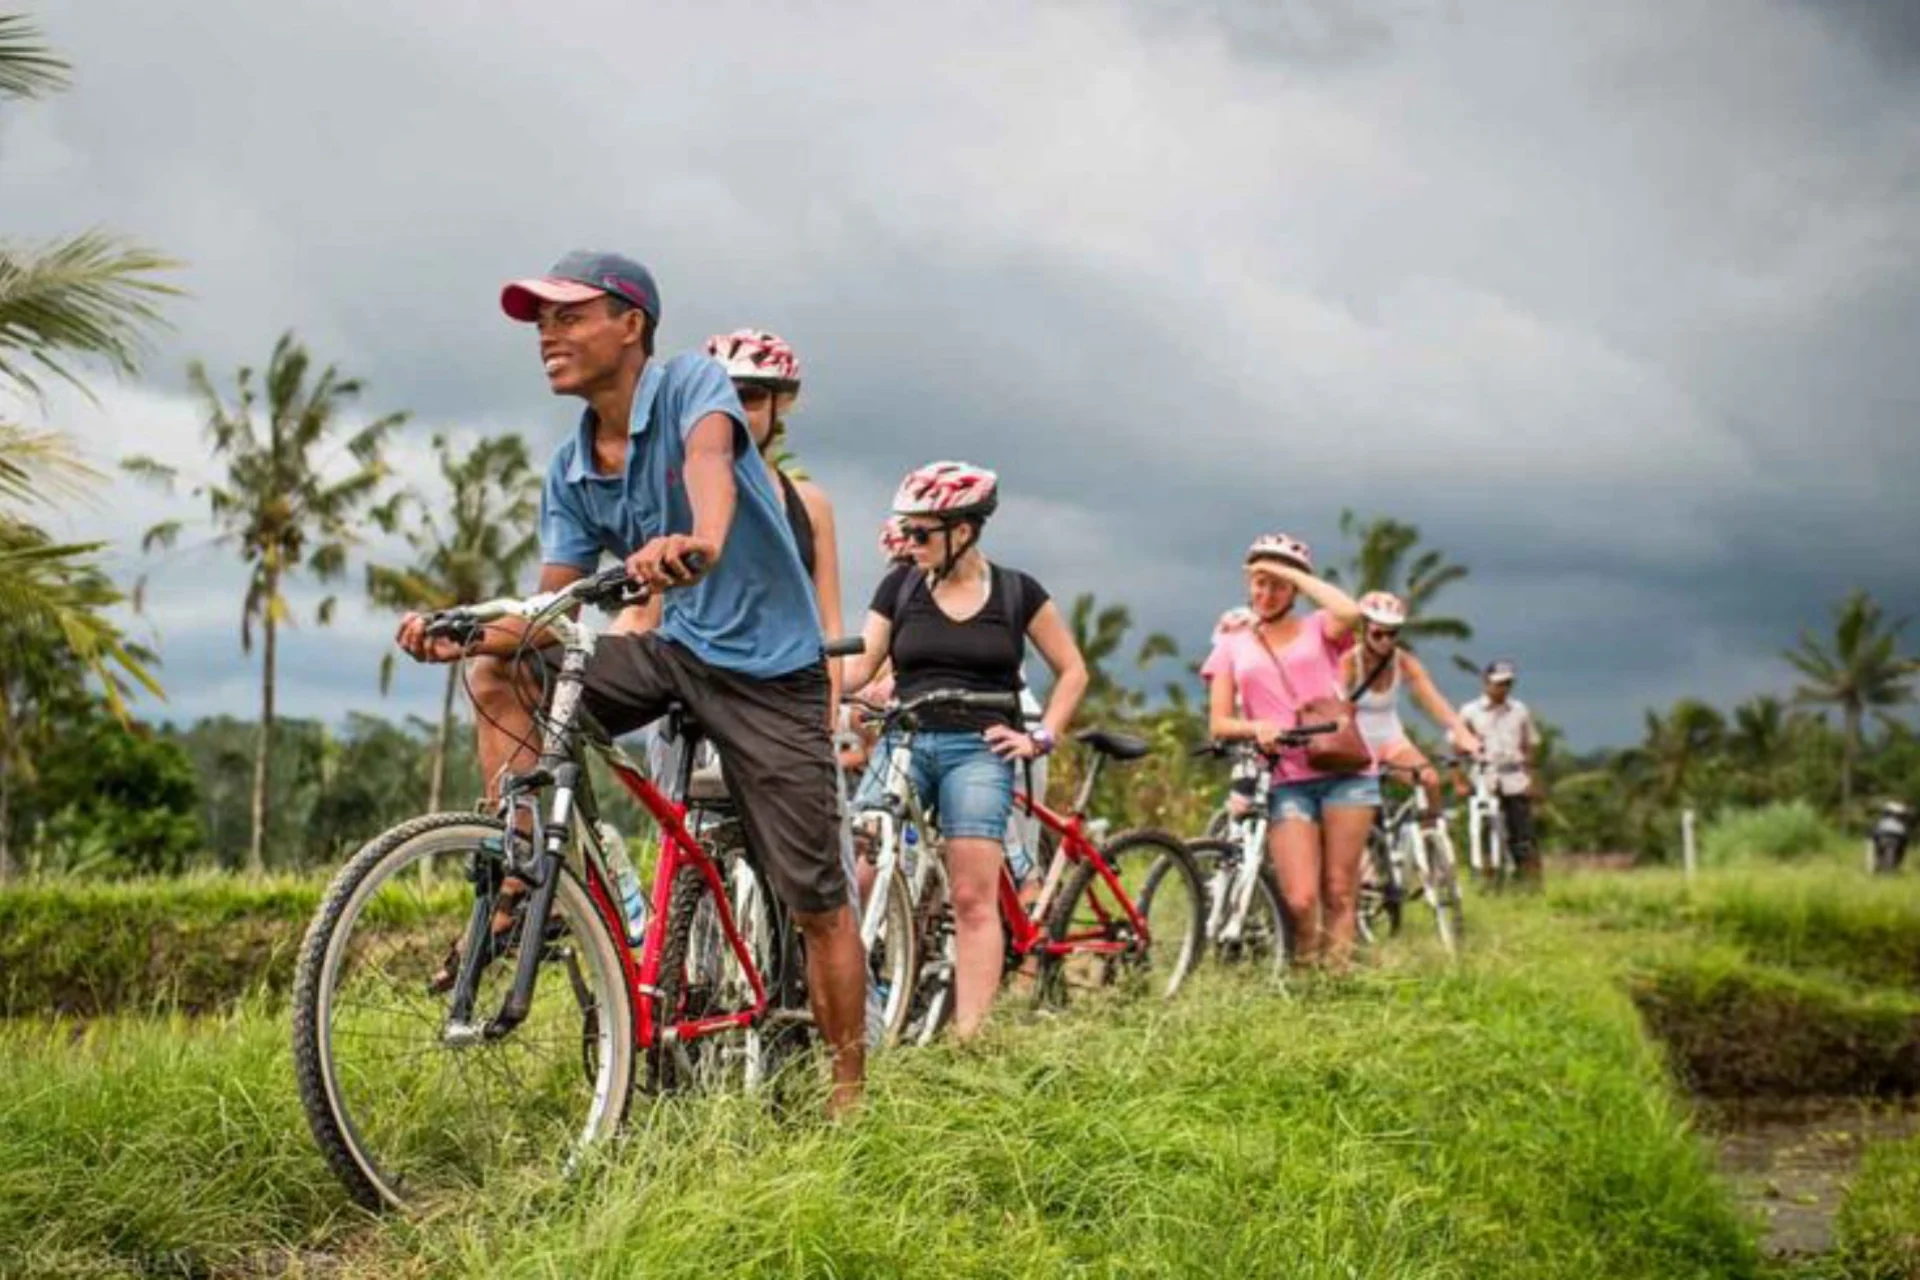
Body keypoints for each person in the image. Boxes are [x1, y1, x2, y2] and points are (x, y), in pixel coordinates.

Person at [394, 251, 867, 1113]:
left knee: (817, 897)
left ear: (631, 325)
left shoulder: (692, 385)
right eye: (540, 321)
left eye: (569, 316)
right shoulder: (570, 467)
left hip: (771, 670)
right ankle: (521, 868)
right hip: (677, 652)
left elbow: (710, 472)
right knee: (501, 661)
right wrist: (460, 623)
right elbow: (551, 610)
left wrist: (701, 544)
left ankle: (848, 1093)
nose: (548, 334)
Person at [840, 462, 1088, 1038]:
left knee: (973, 894)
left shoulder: (1016, 591)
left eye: (922, 533)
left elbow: (1073, 670)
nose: (911, 543)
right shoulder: (898, 587)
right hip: (906, 738)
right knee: (860, 868)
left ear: (964, 530)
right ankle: (864, 1007)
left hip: (978, 748)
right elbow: (860, 666)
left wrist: (1039, 736)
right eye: (906, 531)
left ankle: (970, 1037)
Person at [1202, 533, 1374, 968]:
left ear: (1295, 588)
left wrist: (1292, 572)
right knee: (1300, 898)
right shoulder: (1231, 643)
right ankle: (1303, 972)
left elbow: (1352, 613)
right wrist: (1255, 726)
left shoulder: (1320, 627)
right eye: (1259, 582)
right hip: (1284, 779)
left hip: (1344, 773)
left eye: (1278, 584)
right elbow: (1219, 722)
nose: (1266, 592)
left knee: (1339, 889)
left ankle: (1334, 982)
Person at [1343, 591, 1481, 816]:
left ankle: (1430, 838)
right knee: (1361, 810)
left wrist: (1461, 731)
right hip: (1356, 745)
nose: (1385, 641)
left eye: (1392, 634)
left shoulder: (1404, 661)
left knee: (1430, 781)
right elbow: (1333, 703)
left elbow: (1432, 698)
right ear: (1364, 628)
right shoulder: (1349, 662)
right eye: (1378, 634)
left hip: (1390, 740)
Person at [1458, 660, 1540, 885]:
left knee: (1522, 833)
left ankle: (1528, 883)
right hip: (1484, 776)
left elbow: (1529, 745)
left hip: (1514, 775)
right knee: (1484, 832)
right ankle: (1487, 878)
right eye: (1499, 684)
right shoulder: (1470, 712)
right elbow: (1456, 747)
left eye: (1507, 684)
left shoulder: (1519, 710)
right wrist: (1459, 781)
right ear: (1486, 683)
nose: (1503, 689)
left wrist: (1532, 778)